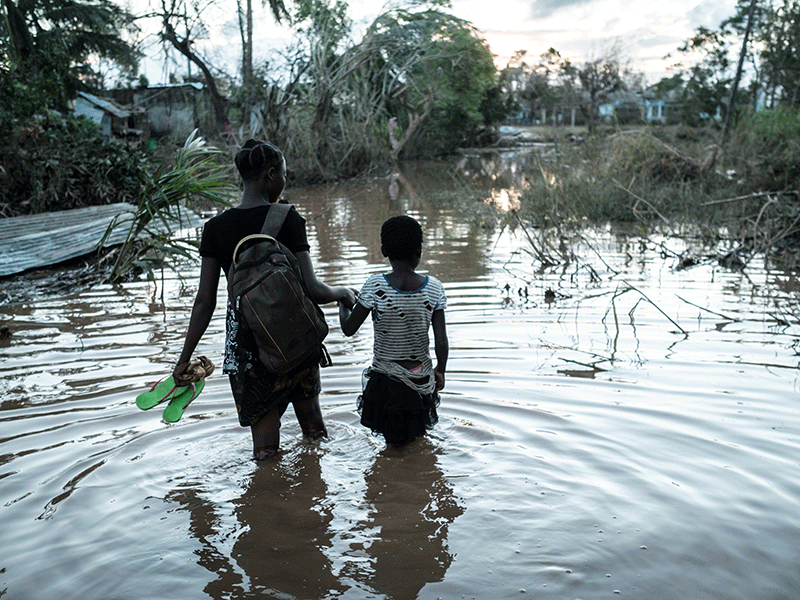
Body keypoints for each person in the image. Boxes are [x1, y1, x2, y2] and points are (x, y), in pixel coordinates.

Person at [172, 139, 356, 460]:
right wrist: (343, 293)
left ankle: (268, 504)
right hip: (297, 341)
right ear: (270, 175)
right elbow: (313, 289)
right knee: (314, 433)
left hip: (248, 350)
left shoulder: (215, 229)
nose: (286, 180)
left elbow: (205, 301)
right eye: (284, 173)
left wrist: (183, 358)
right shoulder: (288, 217)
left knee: (266, 452)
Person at [338, 215, 448, 447]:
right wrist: (441, 370)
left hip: (385, 386)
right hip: (421, 382)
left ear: (383, 250)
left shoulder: (375, 286)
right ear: (419, 250)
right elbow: (441, 341)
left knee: (392, 449)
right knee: (418, 442)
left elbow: (349, 329)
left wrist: (342, 303)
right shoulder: (435, 289)